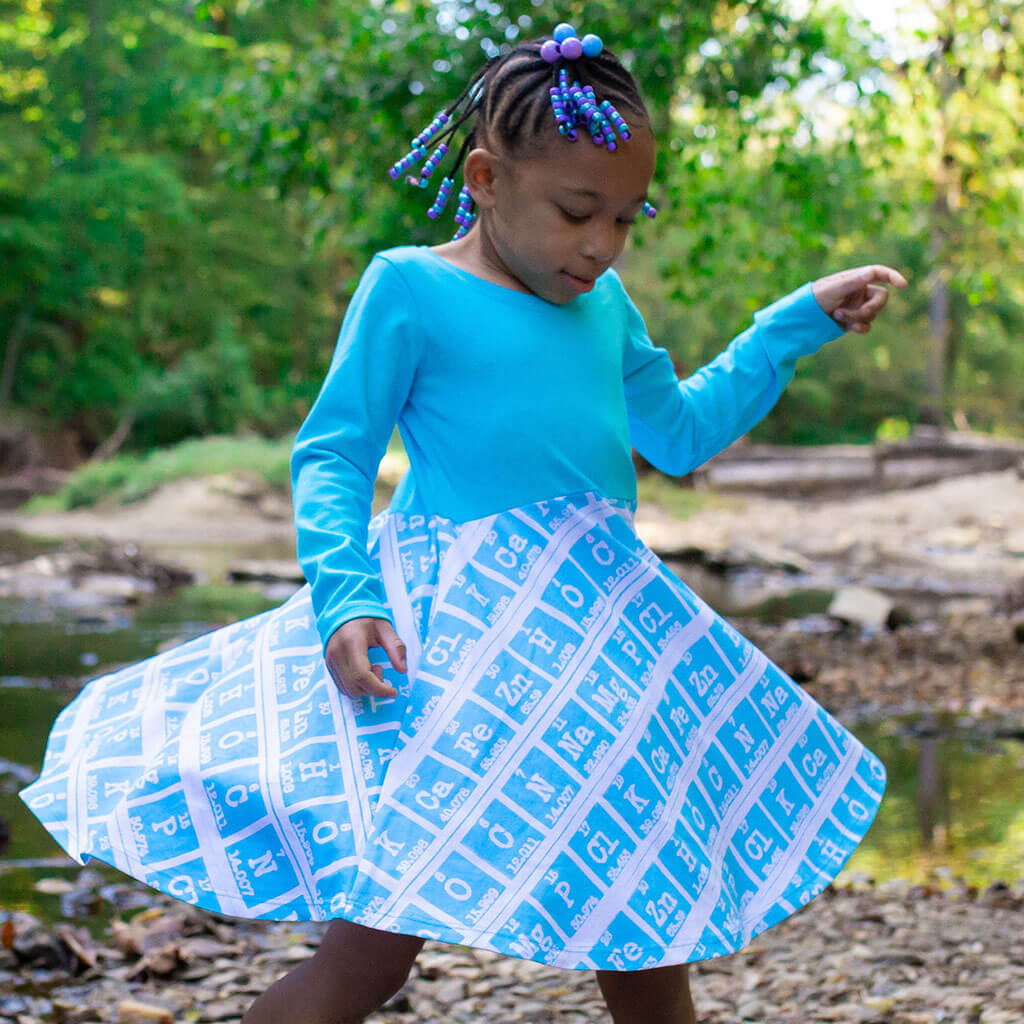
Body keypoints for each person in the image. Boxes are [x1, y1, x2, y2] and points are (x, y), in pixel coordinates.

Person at [20, 24, 908, 1024]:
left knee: (647, 924)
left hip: (600, 644)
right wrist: (344, 599)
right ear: (485, 177)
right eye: (578, 212)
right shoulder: (411, 287)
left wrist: (790, 325)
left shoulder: (604, 305)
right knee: (375, 952)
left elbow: (681, 430)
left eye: (626, 217)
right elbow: (334, 453)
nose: (603, 243)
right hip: (456, 649)